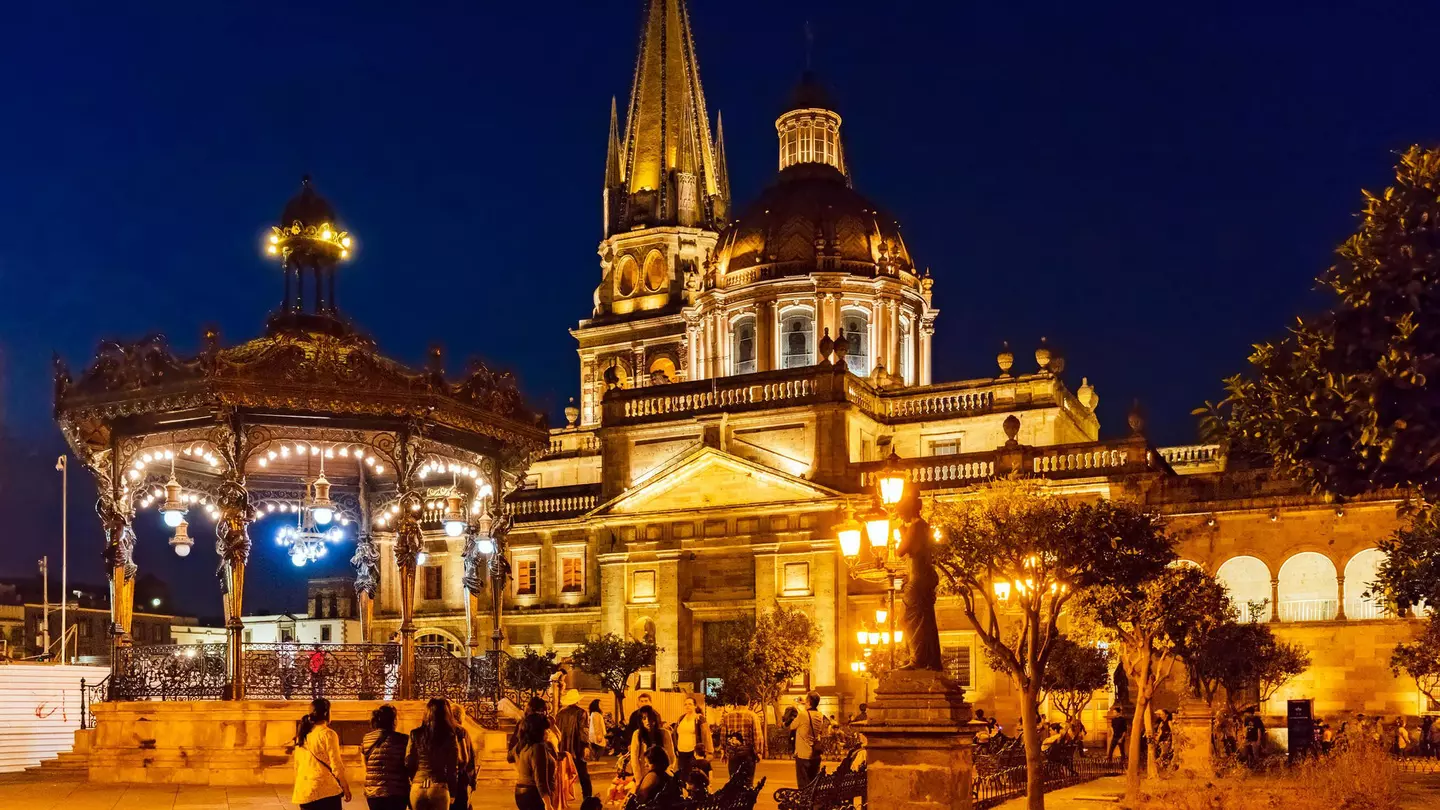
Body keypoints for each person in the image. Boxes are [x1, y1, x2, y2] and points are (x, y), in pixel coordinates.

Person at [292, 697, 352, 810]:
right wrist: (345, 786)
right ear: (326, 713)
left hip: (304, 791)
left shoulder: (302, 736)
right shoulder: (328, 734)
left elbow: (297, 766)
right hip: (325, 791)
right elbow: (336, 764)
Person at [407, 697, 461, 810]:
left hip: (418, 784)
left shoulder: (415, 734)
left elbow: (409, 761)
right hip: (439, 785)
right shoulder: (450, 736)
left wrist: (415, 779)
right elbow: (452, 768)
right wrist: (453, 792)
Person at [361, 704, 409, 810]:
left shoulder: (367, 739)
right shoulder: (403, 739)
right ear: (393, 721)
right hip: (397, 792)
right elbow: (408, 764)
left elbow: (366, 765)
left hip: (373, 792)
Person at [513, 713, 558, 810]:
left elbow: (510, 757)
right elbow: (540, 778)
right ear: (538, 731)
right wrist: (547, 803)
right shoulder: (538, 747)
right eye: (545, 729)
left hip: (521, 792)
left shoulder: (522, 744)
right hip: (534, 794)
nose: (547, 732)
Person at [555, 689, 593, 799]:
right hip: (577, 748)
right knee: (583, 774)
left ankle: (560, 798)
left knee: (562, 775)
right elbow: (583, 731)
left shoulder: (560, 713)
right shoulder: (582, 713)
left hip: (562, 748)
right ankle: (587, 797)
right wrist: (586, 746)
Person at [789, 691, 830, 788]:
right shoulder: (819, 715)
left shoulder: (803, 715)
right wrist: (805, 704)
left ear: (808, 702)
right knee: (813, 783)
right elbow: (810, 712)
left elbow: (792, 726)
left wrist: (795, 705)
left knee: (803, 784)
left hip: (803, 754)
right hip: (814, 755)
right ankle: (812, 802)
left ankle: (805, 802)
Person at [630, 705, 677, 781]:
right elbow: (634, 759)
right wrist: (638, 779)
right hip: (644, 774)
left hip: (662, 774)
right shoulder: (637, 734)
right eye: (644, 718)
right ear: (641, 721)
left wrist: (669, 770)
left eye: (649, 718)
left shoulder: (664, 733)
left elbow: (671, 755)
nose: (647, 721)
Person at [673, 695, 709, 781]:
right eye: (685, 704)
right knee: (682, 776)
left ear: (695, 706)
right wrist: (675, 748)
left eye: (690, 704)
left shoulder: (699, 718)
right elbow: (675, 734)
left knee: (693, 776)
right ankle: (684, 793)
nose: (687, 706)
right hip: (681, 752)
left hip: (693, 752)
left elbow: (706, 735)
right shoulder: (681, 719)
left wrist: (707, 751)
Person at [450, 702, 477, 810]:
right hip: (460, 779)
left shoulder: (441, 730)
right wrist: (473, 779)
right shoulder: (461, 731)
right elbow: (470, 757)